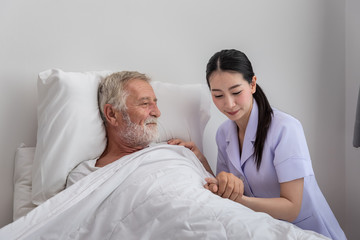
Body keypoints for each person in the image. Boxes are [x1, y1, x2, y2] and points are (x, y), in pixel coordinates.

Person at [169, 49, 346, 240]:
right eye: (218, 95)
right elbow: (228, 187)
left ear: (252, 84)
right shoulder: (223, 134)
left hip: (309, 231)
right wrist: (199, 158)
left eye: (236, 92)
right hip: (265, 231)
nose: (229, 104)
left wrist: (240, 200)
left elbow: (291, 208)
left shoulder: (285, 128)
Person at [66, 71, 162, 186]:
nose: (157, 113)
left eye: (155, 103)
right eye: (145, 103)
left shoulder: (173, 151)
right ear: (112, 114)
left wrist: (188, 155)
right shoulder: (84, 177)